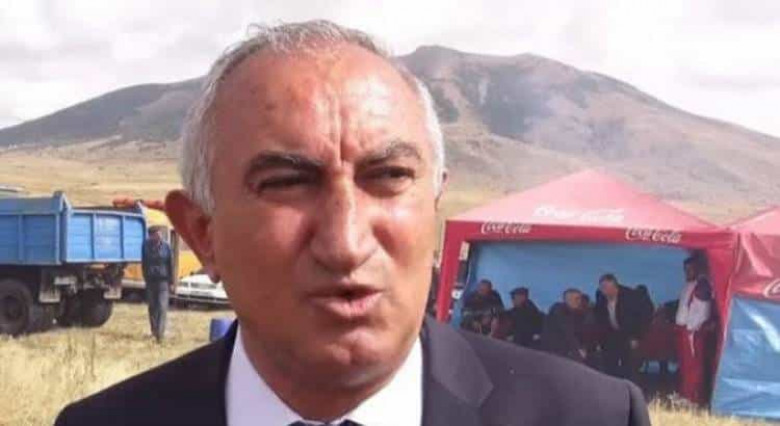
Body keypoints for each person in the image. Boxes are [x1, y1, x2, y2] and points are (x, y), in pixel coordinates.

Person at [55, 21, 649, 426]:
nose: (345, 243)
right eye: (286, 183)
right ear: (202, 233)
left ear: (434, 204)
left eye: (389, 176)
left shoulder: (589, 418)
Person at [594, 274, 652, 383]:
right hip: (611, 336)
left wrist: (636, 336)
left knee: (630, 367)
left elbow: (643, 316)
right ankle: (612, 388)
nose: (604, 291)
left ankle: (632, 389)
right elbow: (599, 319)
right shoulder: (601, 297)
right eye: (602, 288)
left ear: (615, 286)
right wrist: (599, 340)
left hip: (629, 334)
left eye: (607, 288)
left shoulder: (630, 296)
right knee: (609, 365)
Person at [675, 257, 715, 405]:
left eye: (690, 269)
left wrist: (696, 327)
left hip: (693, 331)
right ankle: (686, 394)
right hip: (683, 330)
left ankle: (693, 397)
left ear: (697, 269)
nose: (687, 272)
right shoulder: (688, 285)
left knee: (694, 366)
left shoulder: (702, 285)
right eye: (685, 270)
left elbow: (704, 311)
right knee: (686, 365)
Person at [140, 226, 173, 343]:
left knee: (162, 306)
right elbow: (144, 263)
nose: (159, 236)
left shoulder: (166, 247)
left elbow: (170, 264)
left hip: (163, 281)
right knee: (152, 307)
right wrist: (145, 277)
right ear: (151, 236)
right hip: (151, 281)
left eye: (160, 233)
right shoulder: (145, 246)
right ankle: (154, 331)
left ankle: (160, 334)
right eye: (156, 234)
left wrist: (172, 282)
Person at [542, 288, 588, 363]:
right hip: (556, 352)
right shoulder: (560, 311)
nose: (579, 301)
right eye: (577, 299)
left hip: (561, 352)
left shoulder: (575, 313)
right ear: (568, 299)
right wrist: (578, 349)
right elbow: (568, 332)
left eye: (580, 299)